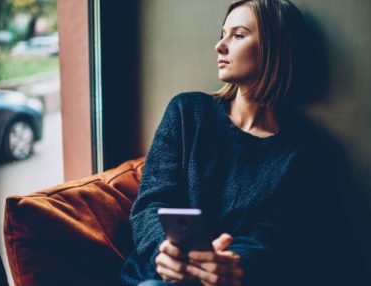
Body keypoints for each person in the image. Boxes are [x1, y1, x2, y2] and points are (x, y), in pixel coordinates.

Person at [121, 0, 357, 285]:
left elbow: (278, 238)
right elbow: (151, 202)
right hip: (160, 275)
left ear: (275, 47)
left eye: (239, 35)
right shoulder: (188, 112)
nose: (220, 46)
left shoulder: (306, 152)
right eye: (223, 34)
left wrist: (231, 265)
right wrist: (164, 251)